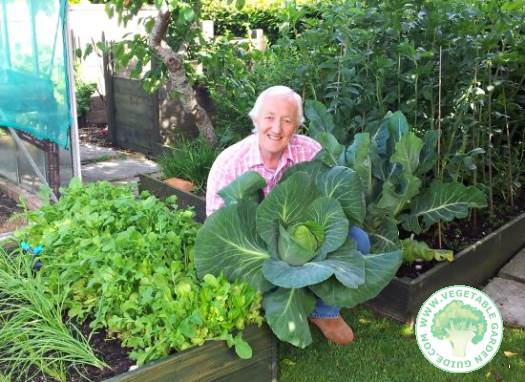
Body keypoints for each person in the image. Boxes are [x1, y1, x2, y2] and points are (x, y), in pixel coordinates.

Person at [206, 85, 369, 345]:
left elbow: (331, 201)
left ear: (297, 126)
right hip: (255, 250)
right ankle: (271, 305)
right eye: (269, 118)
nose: (277, 128)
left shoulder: (310, 151)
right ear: (255, 119)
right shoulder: (229, 164)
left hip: (304, 242)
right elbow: (216, 229)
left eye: (287, 121)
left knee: (358, 240)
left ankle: (323, 312)